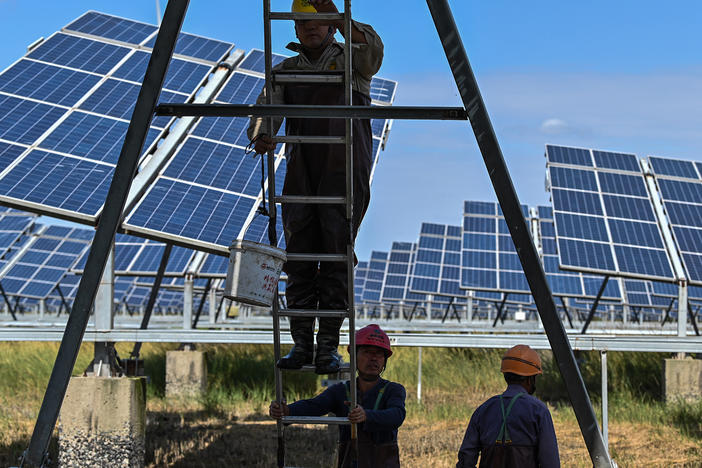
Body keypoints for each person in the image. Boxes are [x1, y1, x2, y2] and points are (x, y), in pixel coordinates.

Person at [247, 0, 384, 375]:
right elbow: (263, 116)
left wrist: (340, 16)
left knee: (337, 259)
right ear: (294, 29)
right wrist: (262, 135)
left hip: (344, 171)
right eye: (304, 23)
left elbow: (373, 52)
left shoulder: (351, 62)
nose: (311, 28)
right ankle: (302, 345)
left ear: (330, 26)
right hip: (303, 174)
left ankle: (327, 347)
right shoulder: (285, 72)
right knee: (301, 259)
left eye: (319, 22)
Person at [269, 324, 405, 467]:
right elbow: (314, 406)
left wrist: (366, 415)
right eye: (367, 352)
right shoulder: (341, 391)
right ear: (354, 355)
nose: (373, 358)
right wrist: (287, 411)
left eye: (379, 353)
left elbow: (397, 415)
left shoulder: (393, 390)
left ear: (384, 360)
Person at [456, 345, 560, 468]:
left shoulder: (483, 410)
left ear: (506, 375)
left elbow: (466, 460)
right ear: (530, 379)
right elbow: (550, 463)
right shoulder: (539, 411)